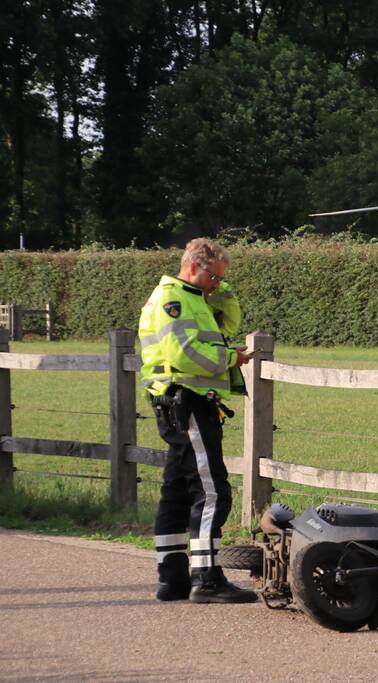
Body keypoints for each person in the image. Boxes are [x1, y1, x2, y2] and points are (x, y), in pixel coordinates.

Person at [138, 238, 255, 603]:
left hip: (184, 400)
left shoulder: (194, 297)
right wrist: (230, 360)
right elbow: (184, 354)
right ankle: (207, 579)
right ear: (193, 267)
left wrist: (221, 287)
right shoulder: (172, 300)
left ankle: (172, 577)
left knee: (176, 491)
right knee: (212, 490)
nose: (217, 284)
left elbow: (229, 322)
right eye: (214, 276)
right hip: (186, 400)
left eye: (220, 278)